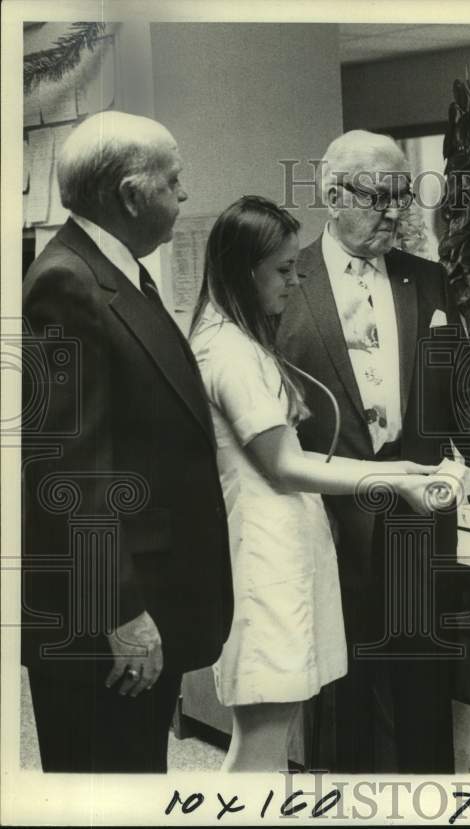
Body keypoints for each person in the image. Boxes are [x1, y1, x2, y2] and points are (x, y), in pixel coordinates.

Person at [276, 130, 470, 773]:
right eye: (379, 197)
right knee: (341, 704)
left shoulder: (428, 281)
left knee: (422, 696)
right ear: (332, 195)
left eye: (404, 196)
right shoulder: (285, 284)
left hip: (418, 523)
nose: (396, 213)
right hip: (329, 526)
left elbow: (463, 389)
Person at [188, 195, 449, 772]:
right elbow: (285, 463)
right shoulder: (229, 350)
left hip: (276, 553)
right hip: (266, 560)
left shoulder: (232, 339)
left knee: (268, 742)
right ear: (243, 269)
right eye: (282, 270)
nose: (292, 280)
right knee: (260, 746)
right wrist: (389, 475)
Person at [20, 111, 233, 773]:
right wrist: (121, 613)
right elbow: (69, 469)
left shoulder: (111, 273)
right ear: (133, 194)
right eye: (174, 180)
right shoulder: (68, 284)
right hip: (106, 624)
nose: (186, 194)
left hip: (146, 598)